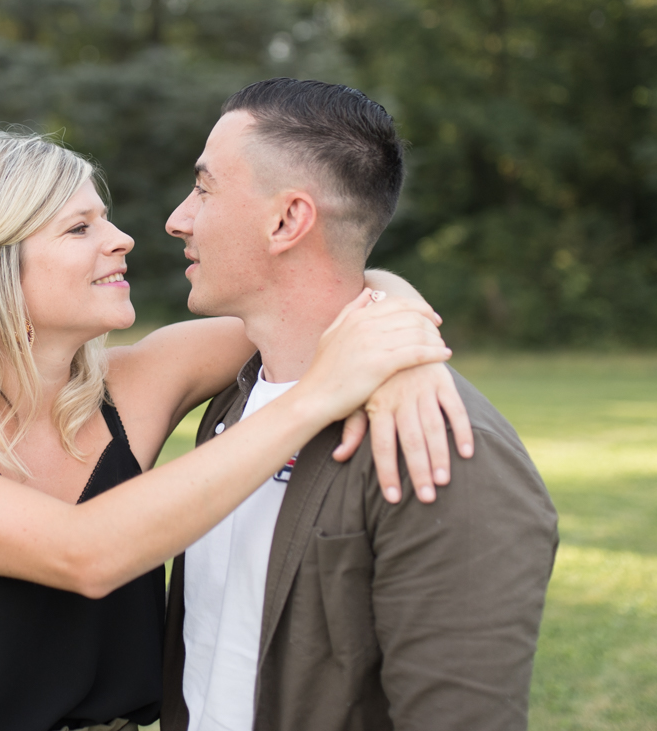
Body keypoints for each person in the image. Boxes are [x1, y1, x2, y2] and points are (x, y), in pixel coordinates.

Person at [0, 131, 468, 731]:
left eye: (104, 218)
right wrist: (318, 396)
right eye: (80, 228)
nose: (124, 239)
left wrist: (405, 344)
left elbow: (317, 302)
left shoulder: (143, 380)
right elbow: (84, 554)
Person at [160, 78, 561, 731]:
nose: (178, 218)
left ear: (287, 219)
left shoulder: (439, 443)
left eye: (204, 189)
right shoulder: (232, 402)